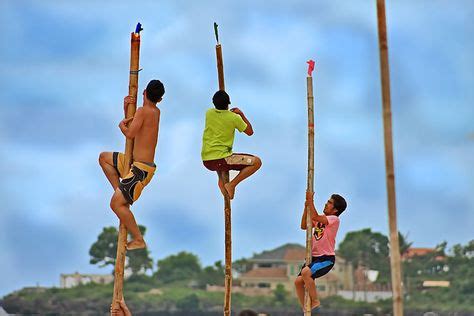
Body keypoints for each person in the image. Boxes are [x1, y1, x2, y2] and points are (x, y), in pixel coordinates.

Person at [99, 80, 165, 250]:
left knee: (115, 205)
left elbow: (130, 133)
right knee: (104, 158)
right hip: (134, 163)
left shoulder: (144, 111)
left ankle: (138, 239)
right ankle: (119, 191)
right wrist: (126, 109)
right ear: (160, 99)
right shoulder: (155, 111)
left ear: (144, 92)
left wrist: (121, 124)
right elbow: (137, 128)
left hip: (140, 170)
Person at [201, 90, 262, 199]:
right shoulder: (233, 118)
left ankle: (221, 180)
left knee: (221, 157)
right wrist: (241, 115)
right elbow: (250, 132)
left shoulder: (209, 113)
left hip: (207, 160)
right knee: (257, 162)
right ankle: (232, 184)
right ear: (228, 103)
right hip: (222, 159)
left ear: (213, 103)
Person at [294, 191, 347, 312]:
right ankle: (305, 307)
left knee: (306, 272)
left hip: (326, 258)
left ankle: (315, 301)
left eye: (329, 203)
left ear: (335, 210)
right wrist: (306, 206)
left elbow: (315, 217)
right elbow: (304, 225)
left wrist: (310, 201)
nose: (326, 204)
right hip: (314, 258)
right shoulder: (320, 220)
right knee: (298, 282)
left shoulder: (334, 219)